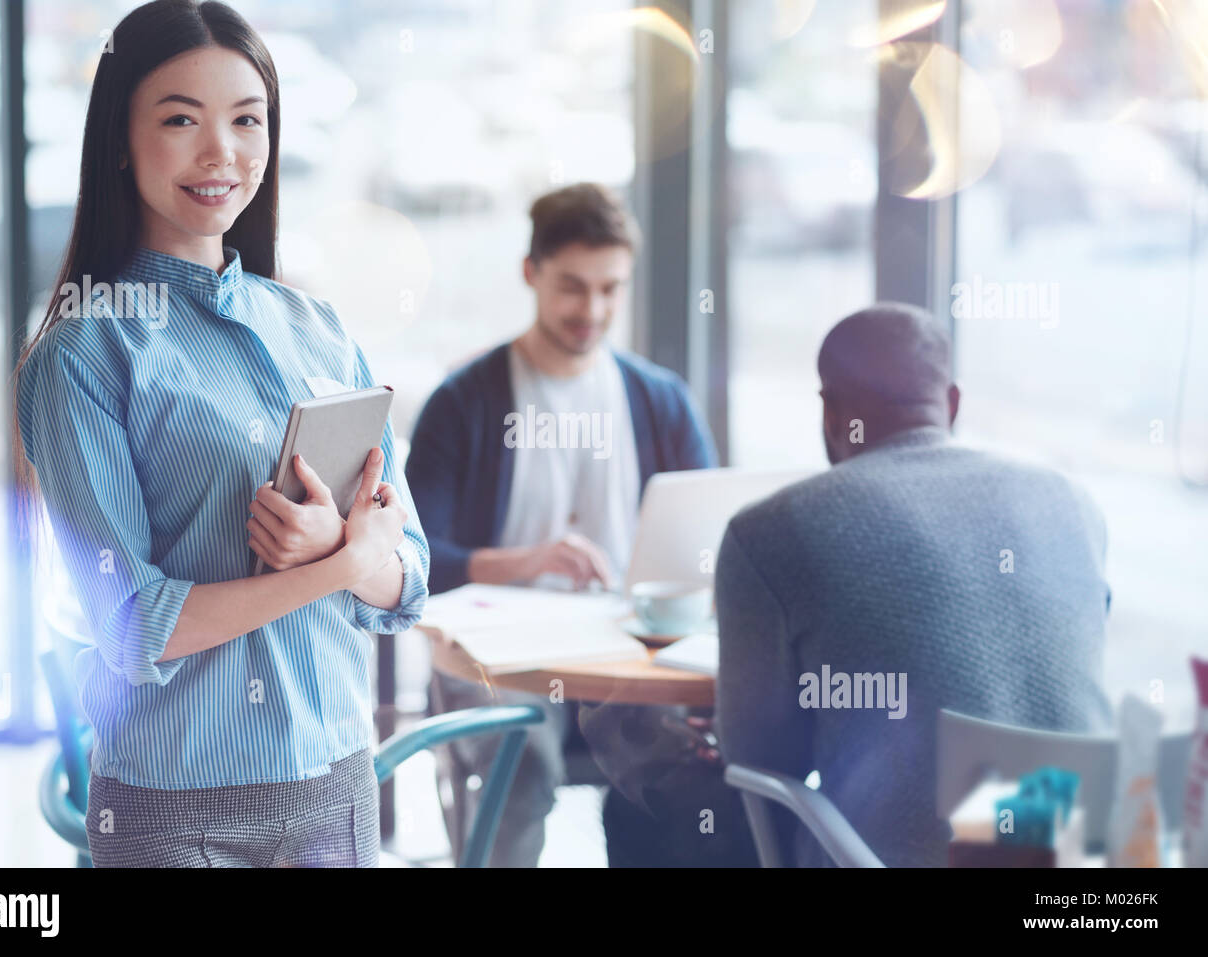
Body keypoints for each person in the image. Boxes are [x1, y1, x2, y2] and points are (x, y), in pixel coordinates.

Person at [11, 0, 428, 867]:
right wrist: (338, 568)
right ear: (120, 140)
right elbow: (131, 625)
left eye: (247, 120)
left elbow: (408, 575)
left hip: (337, 787)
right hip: (175, 813)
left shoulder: (317, 326)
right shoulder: (85, 352)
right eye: (180, 120)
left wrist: (346, 548)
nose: (222, 154)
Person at [715, 302, 1113, 867]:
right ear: (951, 403)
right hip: (1087, 873)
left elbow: (760, 762)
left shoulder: (770, 531)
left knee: (682, 807)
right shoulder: (1073, 501)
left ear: (830, 413)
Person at [404, 183, 718, 866]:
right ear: (531, 273)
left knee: (683, 772)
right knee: (523, 767)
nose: (593, 310)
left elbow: (710, 540)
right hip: (500, 654)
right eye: (573, 287)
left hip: (628, 654)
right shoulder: (463, 404)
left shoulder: (659, 401)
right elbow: (413, 557)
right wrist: (523, 560)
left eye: (611, 289)